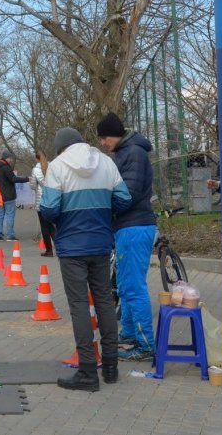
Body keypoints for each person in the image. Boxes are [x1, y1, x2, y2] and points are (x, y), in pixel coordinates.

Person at [40, 127, 132, 391]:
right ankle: (112, 368)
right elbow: (124, 199)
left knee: (79, 305)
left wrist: (64, 219)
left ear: (61, 148)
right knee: (104, 300)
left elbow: (48, 208)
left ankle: (88, 372)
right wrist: (104, 213)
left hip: (71, 246)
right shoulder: (106, 162)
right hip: (101, 243)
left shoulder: (57, 166)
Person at [97, 112, 158, 362]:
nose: (102, 143)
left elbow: (127, 195)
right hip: (127, 227)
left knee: (134, 288)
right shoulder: (125, 153)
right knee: (125, 285)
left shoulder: (133, 154)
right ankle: (131, 333)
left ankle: (145, 345)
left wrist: (104, 208)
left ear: (114, 135)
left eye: (104, 138)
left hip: (134, 226)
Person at [0, 150, 29, 242]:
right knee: (9, 215)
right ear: (6, 158)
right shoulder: (6, 168)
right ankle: (10, 235)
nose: (11, 160)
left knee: (0, 215)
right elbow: (13, 179)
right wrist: (26, 179)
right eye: (10, 158)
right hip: (8, 196)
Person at [30, 149, 55, 257]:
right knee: (52, 226)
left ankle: (49, 250)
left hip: (41, 200)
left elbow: (32, 185)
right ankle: (60, 247)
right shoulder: (53, 167)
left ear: (36, 158)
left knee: (44, 227)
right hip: (53, 199)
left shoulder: (35, 170)